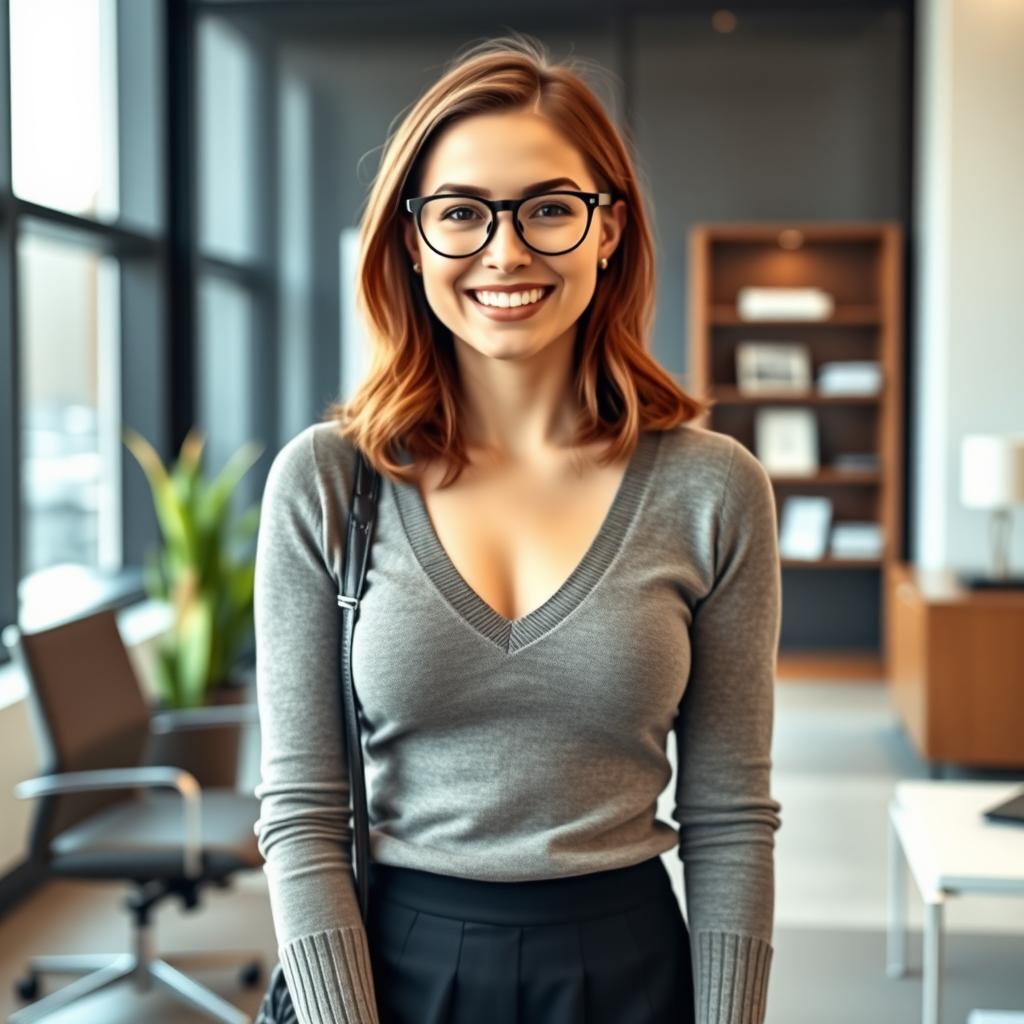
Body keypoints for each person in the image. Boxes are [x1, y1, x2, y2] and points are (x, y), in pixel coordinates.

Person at [253, 32, 783, 1024]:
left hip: (631, 969)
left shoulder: (713, 488)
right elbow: (302, 816)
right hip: (390, 970)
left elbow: (729, 819)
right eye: (461, 212)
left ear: (608, 228)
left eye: (548, 208)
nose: (506, 251)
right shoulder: (325, 482)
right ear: (412, 239)